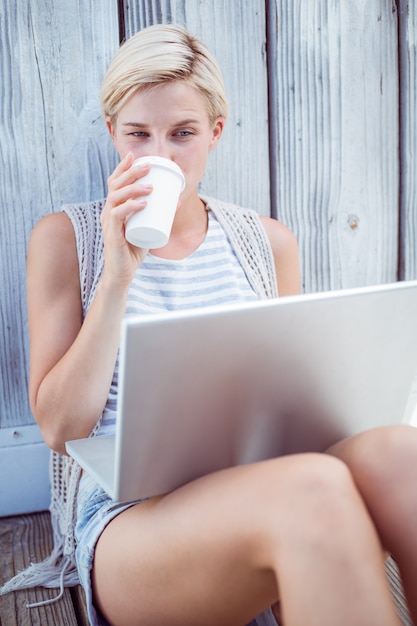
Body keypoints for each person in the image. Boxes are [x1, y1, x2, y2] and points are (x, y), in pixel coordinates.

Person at [2, 23, 417, 626]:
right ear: (114, 133)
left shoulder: (265, 242)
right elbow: (61, 427)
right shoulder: (67, 240)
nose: (160, 157)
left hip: (253, 484)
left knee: (400, 453)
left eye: (183, 134)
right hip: (129, 522)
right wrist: (119, 278)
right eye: (138, 135)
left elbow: (297, 406)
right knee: (314, 487)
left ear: (215, 134)